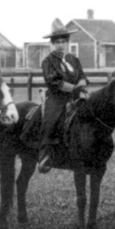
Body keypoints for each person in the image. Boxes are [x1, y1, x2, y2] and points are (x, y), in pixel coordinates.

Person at [38, 19, 89, 173]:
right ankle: (46, 153)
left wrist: (81, 83)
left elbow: (82, 76)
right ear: (53, 43)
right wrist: (73, 87)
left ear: (67, 42)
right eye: (58, 42)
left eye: (63, 41)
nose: (61, 45)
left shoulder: (73, 59)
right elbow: (53, 82)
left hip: (76, 97)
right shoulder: (48, 61)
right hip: (57, 97)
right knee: (52, 119)